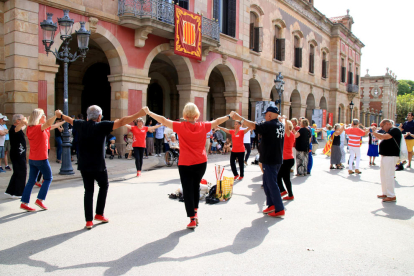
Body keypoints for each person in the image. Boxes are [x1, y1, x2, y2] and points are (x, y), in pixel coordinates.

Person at [143, 102, 233, 229]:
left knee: (188, 190)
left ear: (185, 114)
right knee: (195, 187)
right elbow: (217, 121)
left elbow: (162, 120)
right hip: (201, 162)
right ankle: (195, 213)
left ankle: (192, 218)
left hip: (186, 163)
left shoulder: (180, 126)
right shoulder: (203, 125)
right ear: (196, 114)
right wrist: (229, 116)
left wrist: (149, 112)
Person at [58, 105, 146, 229]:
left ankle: (89, 221)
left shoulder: (81, 124)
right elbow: (121, 121)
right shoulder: (102, 125)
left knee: (88, 191)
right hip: (98, 165)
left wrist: (60, 115)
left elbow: (69, 119)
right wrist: (138, 114)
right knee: (104, 186)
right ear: (99, 116)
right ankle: (99, 214)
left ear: (88, 116)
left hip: (84, 164)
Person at [231, 106, 285, 218]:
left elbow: (253, 125)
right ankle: (271, 205)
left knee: (271, 183)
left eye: (266, 114)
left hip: (270, 159)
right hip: (276, 158)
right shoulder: (280, 125)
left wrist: (240, 118)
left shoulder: (270, 125)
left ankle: (279, 208)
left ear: (270, 114)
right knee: (267, 183)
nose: (265, 116)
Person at [19, 109, 58, 212]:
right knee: (48, 178)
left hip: (32, 158)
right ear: (39, 117)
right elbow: (49, 123)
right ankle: (40, 199)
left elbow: (49, 125)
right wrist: (55, 116)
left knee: (31, 181)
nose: (45, 116)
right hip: (41, 158)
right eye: (43, 115)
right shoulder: (38, 128)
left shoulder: (30, 128)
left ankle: (24, 203)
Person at [372, 119, 402, 202]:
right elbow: (380, 136)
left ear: (388, 124)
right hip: (386, 156)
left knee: (389, 175)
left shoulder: (394, 130)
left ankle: (391, 195)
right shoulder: (389, 131)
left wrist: (374, 132)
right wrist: (375, 132)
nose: (382, 128)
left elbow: (384, 137)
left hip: (391, 156)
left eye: (382, 126)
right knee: (384, 175)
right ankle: (385, 193)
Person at [35, 118, 65, 187]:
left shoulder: (47, 127)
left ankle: (41, 179)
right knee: (42, 165)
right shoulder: (40, 127)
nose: (45, 118)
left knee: (43, 165)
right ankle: (40, 179)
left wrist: (65, 120)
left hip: (46, 148)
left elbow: (55, 125)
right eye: (44, 117)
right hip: (42, 149)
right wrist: (55, 116)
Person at [4, 114, 27, 198]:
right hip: (17, 154)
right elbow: (18, 128)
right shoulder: (14, 129)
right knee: (21, 172)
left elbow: (22, 127)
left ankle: (10, 191)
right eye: (22, 119)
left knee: (17, 172)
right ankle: (18, 193)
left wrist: (26, 121)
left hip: (19, 153)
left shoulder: (18, 128)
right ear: (17, 121)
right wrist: (23, 122)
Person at [277, 120, 295, 200]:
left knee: (278, 176)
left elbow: (287, 129)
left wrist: (284, 120)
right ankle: (290, 194)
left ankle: (283, 191)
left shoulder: (290, 134)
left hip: (287, 159)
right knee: (285, 178)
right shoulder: (287, 134)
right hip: (287, 159)